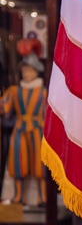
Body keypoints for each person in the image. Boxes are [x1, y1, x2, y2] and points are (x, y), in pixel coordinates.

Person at [2, 53, 47, 205]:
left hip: (38, 130)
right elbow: (4, 106)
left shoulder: (44, 92)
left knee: (40, 165)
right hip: (20, 130)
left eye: (30, 70)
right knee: (18, 163)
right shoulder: (14, 91)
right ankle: (18, 196)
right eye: (24, 70)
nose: (27, 74)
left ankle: (43, 197)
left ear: (36, 71)